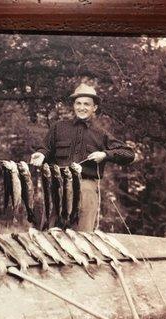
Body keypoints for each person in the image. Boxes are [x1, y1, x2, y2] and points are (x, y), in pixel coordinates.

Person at [30, 83, 135, 231]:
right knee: (52, 236)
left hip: (86, 189)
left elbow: (129, 154)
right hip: (58, 188)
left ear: (94, 108)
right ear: (73, 105)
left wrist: (105, 154)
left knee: (83, 238)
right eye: (78, 103)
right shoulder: (58, 127)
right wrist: (40, 154)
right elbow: (45, 148)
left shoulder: (101, 134)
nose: (82, 107)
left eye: (87, 104)